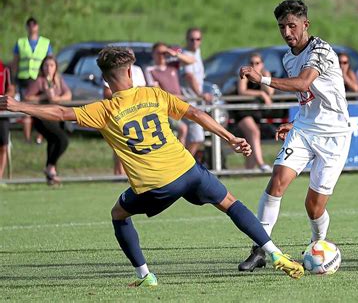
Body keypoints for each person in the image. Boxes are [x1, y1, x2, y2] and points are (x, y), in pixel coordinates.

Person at [0, 47, 304, 286]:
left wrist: (18, 106)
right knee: (230, 202)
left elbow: (60, 112)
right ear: (131, 71)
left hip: (156, 185)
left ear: (106, 79)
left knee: (118, 214)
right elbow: (195, 112)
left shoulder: (104, 110)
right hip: (188, 168)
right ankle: (275, 253)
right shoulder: (152, 94)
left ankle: (146, 275)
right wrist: (230, 137)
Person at [238, 0, 352, 271]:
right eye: (281, 27)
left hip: (334, 134)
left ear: (305, 24)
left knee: (313, 206)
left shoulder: (321, 50)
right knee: (276, 181)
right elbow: (306, 96)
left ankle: (318, 244)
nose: (287, 32)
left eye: (292, 25)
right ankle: (260, 249)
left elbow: (302, 83)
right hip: (304, 129)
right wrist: (297, 123)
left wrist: (262, 79)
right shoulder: (288, 57)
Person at [24, 56, 71, 185]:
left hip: (56, 116)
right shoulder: (39, 81)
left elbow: (68, 94)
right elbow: (27, 97)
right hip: (42, 118)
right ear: (42, 67)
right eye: (46, 65)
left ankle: (51, 174)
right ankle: (50, 167)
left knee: (53, 141)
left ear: (56, 67)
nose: (48, 68)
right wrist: (44, 96)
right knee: (63, 140)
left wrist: (58, 98)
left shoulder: (58, 81)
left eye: (51, 65)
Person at [103, 48, 146, 175]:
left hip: (136, 112)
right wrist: (125, 96)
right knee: (120, 144)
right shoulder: (113, 71)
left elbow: (141, 90)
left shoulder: (137, 70)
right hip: (120, 112)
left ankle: (133, 174)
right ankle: (118, 173)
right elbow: (106, 92)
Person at [11, 17, 53, 142]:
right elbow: (15, 63)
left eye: (34, 24)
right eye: (29, 25)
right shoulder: (21, 43)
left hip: (39, 79)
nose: (32, 27)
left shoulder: (45, 43)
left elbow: (50, 61)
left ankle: (40, 136)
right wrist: (13, 80)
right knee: (25, 108)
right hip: (24, 79)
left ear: (37, 26)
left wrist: (49, 78)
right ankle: (27, 138)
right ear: (27, 27)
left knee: (41, 108)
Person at [145, 42, 194, 145]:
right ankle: (180, 157)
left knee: (193, 132)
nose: (161, 56)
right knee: (182, 129)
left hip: (180, 103)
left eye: (164, 53)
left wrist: (174, 54)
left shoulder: (172, 66)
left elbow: (192, 61)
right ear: (153, 54)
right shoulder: (150, 70)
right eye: (159, 53)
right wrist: (178, 97)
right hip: (167, 106)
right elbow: (157, 91)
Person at [236, 52, 273, 172]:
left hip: (255, 112)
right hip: (241, 110)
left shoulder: (264, 74)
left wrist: (263, 79)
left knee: (251, 140)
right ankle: (261, 164)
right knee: (254, 132)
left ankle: (249, 171)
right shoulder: (244, 74)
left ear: (262, 64)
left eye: (257, 63)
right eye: (251, 63)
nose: (254, 65)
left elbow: (270, 93)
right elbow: (242, 91)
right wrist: (261, 93)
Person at [181, 27, 213, 157]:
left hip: (195, 101)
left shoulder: (197, 53)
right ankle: (183, 166)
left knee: (192, 137)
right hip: (188, 100)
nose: (194, 42)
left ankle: (184, 166)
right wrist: (200, 93)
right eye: (191, 39)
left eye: (197, 39)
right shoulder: (186, 55)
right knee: (196, 137)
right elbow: (189, 76)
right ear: (187, 40)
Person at [0, 59, 15, 179]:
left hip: (1, 113)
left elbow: (11, 89)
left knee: (3, 145)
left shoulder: (4, 69)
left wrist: (4, 98)